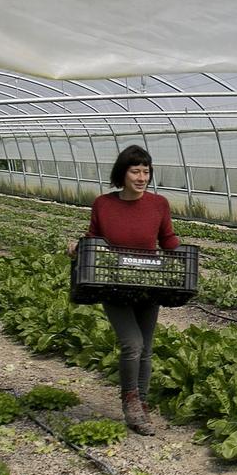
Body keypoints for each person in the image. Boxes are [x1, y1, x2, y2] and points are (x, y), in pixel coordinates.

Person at [69, 145, 178, 435]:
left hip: (148, 284)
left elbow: (167, 240)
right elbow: (94, 238)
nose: (142, 177)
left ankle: (141, 404)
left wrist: (183, 256)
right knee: (132, 343)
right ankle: (130, 400)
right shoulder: (103, 204)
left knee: (146, 347)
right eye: (135, 171)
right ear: (123, 172)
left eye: (146, 171)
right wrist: (79, 248)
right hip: (113, 282)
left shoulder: (159, 204)